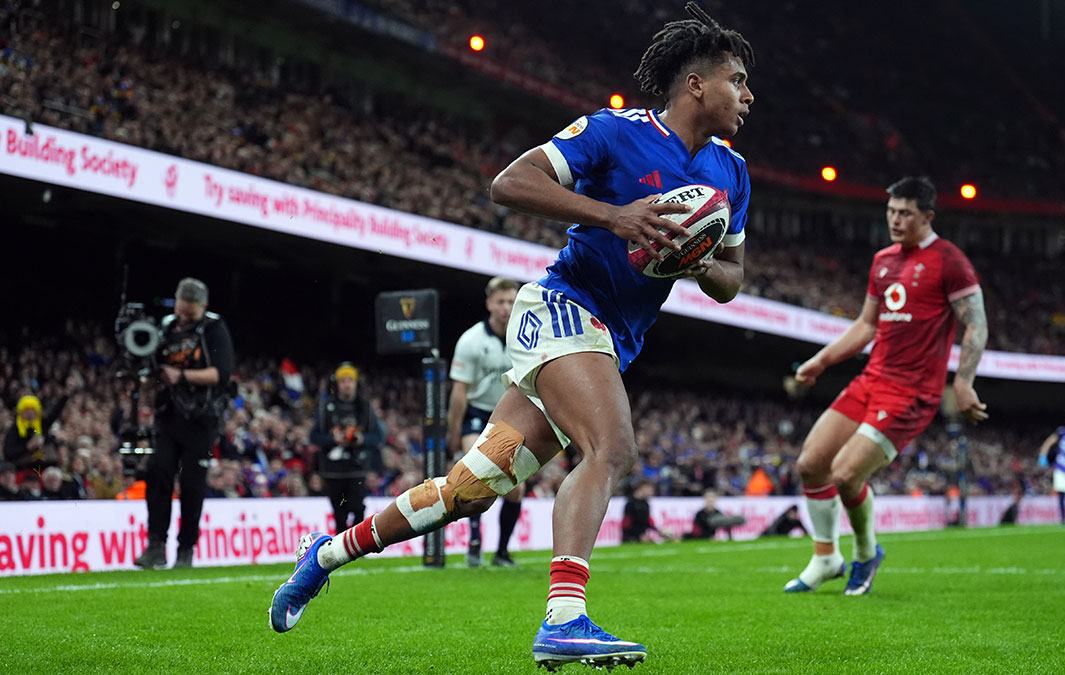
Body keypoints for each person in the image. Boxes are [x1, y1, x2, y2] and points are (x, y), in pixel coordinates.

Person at [269, 4, 754, 670]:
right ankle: (565, 617)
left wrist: (694, 257)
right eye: (737, 80)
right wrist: (614, 216)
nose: (748, 96)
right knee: (611, 447)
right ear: (697, 84)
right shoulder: (613, 133)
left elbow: (732, 278)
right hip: (562, 307)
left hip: (611, 338)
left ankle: (326, 554)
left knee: (469, 489)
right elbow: (510, 181)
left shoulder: (733, 175)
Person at [783, 176, 989, 596]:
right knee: (810, 464)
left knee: (845, 474)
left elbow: (976, 323)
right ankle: (826, 558)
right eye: (891, 211)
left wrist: (963, 381)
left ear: (927, 216)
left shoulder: (950, 261)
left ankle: (865, 553)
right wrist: (820, 361)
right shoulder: (883, 261)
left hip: (913, 393)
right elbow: (866, 325)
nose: (895, 220)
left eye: (905, 213)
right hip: (872, 380)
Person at [134, 278, 234, 570]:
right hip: (168, 415)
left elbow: (222, 374)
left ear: (203, 307)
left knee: (192, 484)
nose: (184, 317)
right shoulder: (165, 326)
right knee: (158, 472)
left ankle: (185, 549)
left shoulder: (214, 328)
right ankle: (155, 545)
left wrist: (182, 376)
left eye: (190, 313)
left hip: (201, 419)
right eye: (182, 310)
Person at [447, 276, 522, 566]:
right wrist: (454, 431)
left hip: (511, 416)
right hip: (478, 414)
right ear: (489, 303)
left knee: (517, 490)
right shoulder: (471, 341)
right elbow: (459, 391)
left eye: (512, 302)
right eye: (501, 301)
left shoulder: (525, 337)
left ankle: (502, 551)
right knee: (479, 474)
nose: (506, 308)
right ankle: (475, 540)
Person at [310, 363, 385, 533]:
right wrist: (332, 439)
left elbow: (379, 436)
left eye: (350, 380)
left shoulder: (365, 407)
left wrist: (362, 439)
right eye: (343, 381)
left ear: (356, 383)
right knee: (339, 513)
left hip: (357, 469)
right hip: (333, 470)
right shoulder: (326, 408)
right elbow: (314, 437)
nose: (347, 384)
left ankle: (357, 545)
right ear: (337, 384)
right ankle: (341, 550)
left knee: (358, 507)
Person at [3, 392, 70, 472]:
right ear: (21, 412)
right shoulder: (14, 430)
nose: (30, 414)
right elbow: (9, 453)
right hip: (23, 470)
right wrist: (27, 447)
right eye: (27, 410)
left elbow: (54, 414)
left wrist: (66, 395)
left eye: (33, 410)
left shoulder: (42, 425)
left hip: (45, 468)